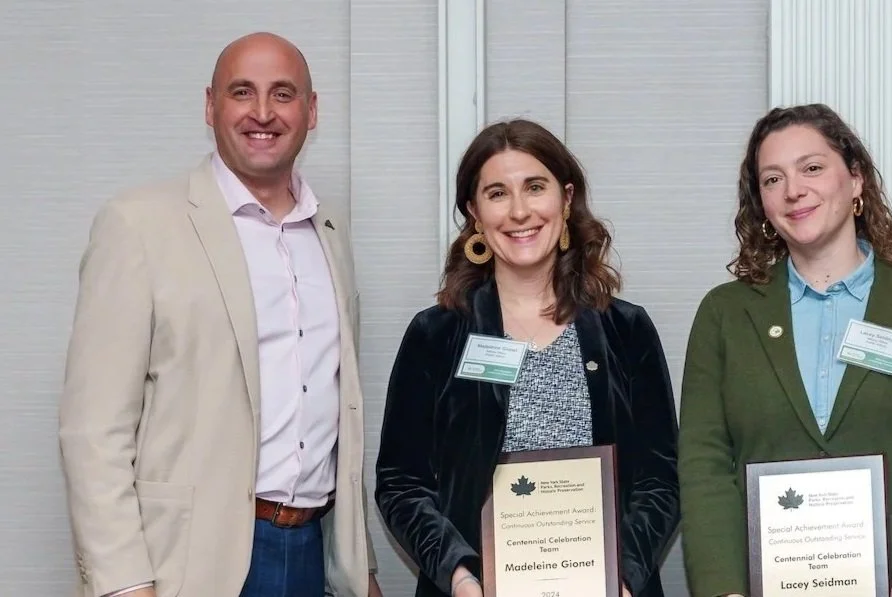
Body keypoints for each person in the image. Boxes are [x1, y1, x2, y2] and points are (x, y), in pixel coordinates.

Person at [58, 32, 380, 597]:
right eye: (242, 92)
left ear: (312, 110)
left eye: (283, 94)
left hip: (311, 553)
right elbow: (93, 430)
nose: (262, 113)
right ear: (211, 106)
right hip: (186, 564)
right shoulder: (138, 225)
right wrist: (123, 583)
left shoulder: (328, 234)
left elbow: (336, 414)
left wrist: (358, 567)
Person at [678, 103, 892, 597]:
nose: (793, 190)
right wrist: (724, 589)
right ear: (760, 202)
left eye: (811, 168)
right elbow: (703, 464)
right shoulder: (724, 314)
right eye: (772, 179)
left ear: (856, 179)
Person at [374, 119, 680, 597]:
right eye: (497, 194)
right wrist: (459, 577)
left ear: (566, 197)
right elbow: (401, 483)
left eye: (535, 187)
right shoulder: (435, 336)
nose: (519, 211)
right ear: (475, 213)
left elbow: (661, 480)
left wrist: (623, 577)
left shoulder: (627, 332)